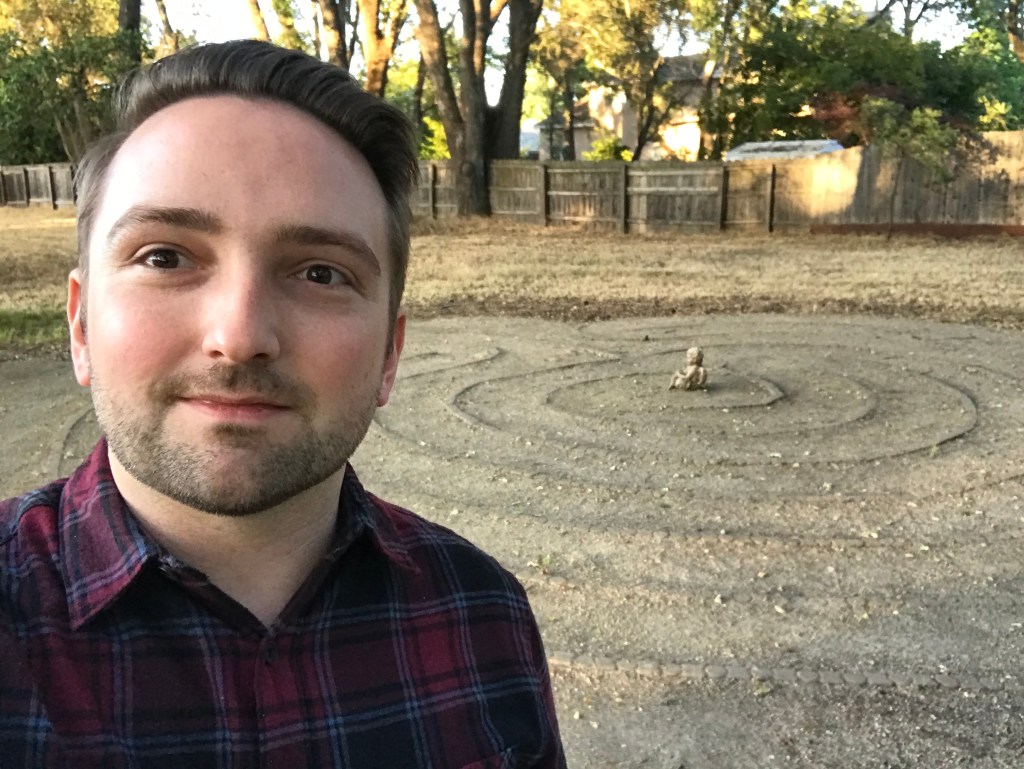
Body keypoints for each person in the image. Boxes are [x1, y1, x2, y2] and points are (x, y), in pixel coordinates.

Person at [0, 40, 565, 768]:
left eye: (321, 272)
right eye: (165, 256)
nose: (239, 337)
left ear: (390, 354)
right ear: (80, 324)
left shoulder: (483, 616)